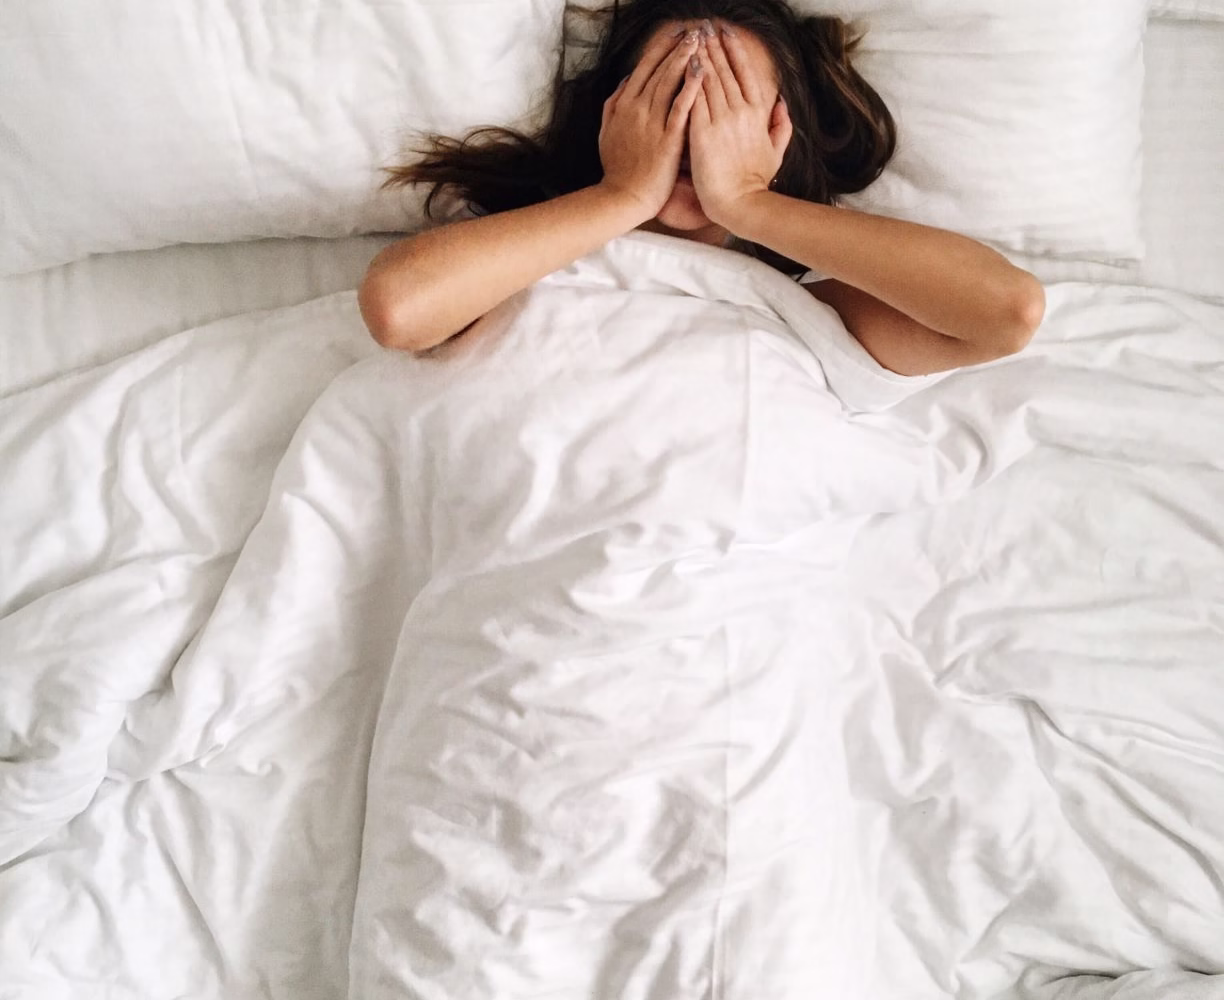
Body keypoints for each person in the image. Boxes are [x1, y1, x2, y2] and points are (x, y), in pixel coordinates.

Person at [358, 0, 1045, 377]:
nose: (693, 124)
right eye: (670, 95)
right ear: (613, 115)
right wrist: (621, 195)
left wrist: (748, 200)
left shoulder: (809, 309)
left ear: (781, 135)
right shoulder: (524, 264)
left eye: (728, 104)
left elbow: (1007, 311)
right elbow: (397, 308)